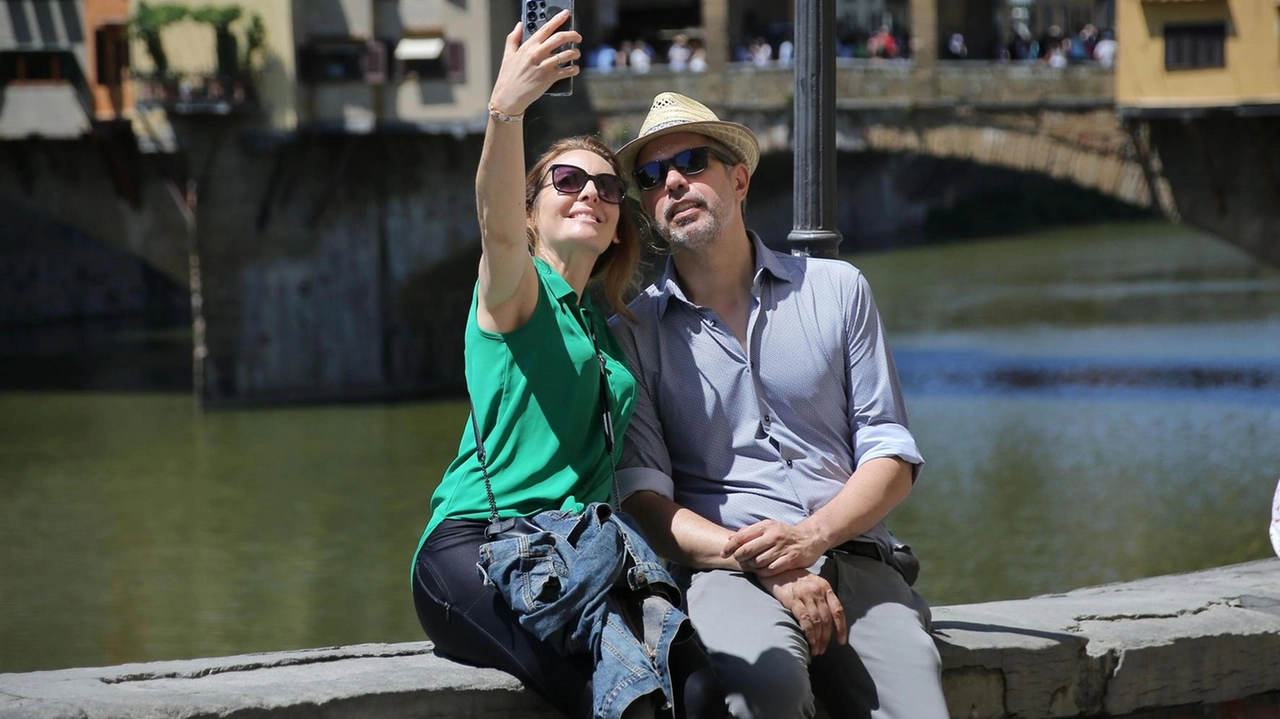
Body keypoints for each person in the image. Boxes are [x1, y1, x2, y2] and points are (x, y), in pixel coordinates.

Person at [410, 18, 724, 719]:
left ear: (619, 226)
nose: (589, 192)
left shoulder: (608, 329)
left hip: (580, 551)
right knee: (625, 702)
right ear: (532, 212)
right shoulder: (517, 294)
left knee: (700, 691)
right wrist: (507, 109)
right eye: (566, 179)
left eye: (610, 188)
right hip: (479, 549)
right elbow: (491, 222)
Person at [609, 92, 949, 719]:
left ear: (738, 179)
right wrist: (769, 562)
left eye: (691, 161)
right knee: (763, 693)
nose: (673, 183)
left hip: (854, 552)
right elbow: (647, 503)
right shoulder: (632, 333)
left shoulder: (837, 288)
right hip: (726, 570)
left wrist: (810, 538)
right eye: (652, 177)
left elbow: (891, 453)